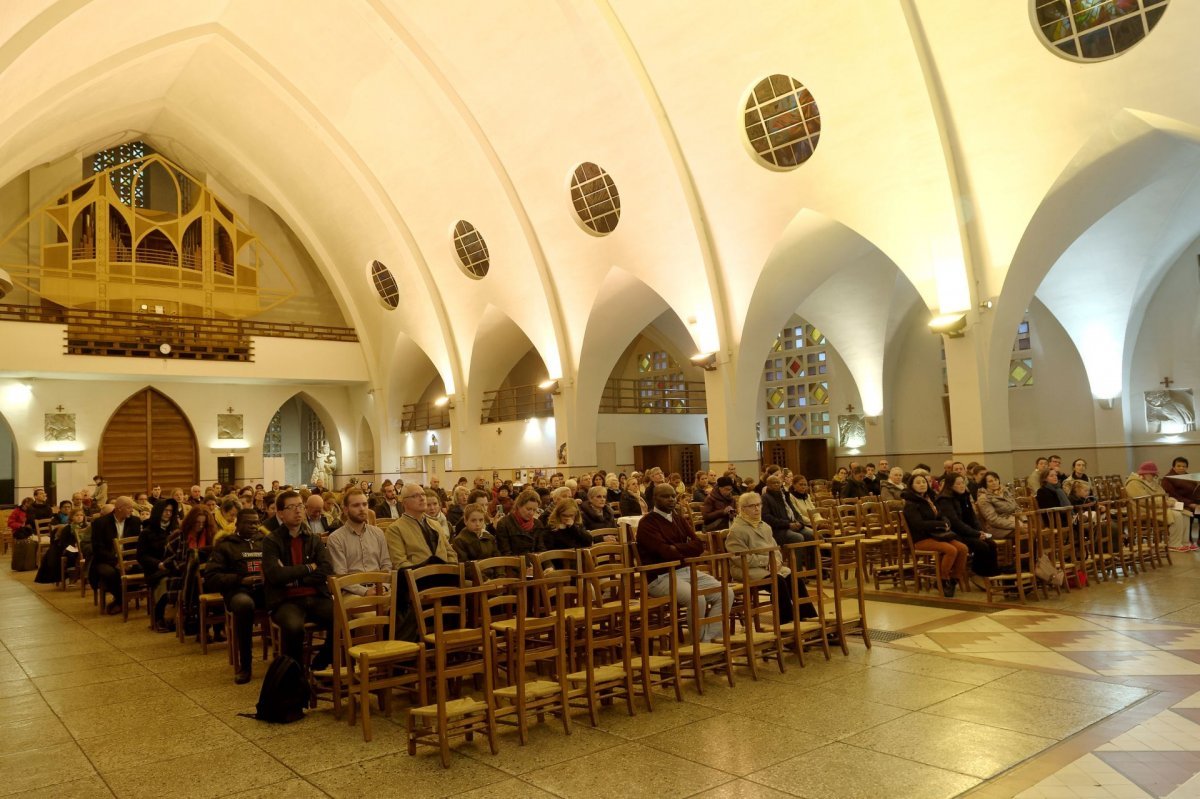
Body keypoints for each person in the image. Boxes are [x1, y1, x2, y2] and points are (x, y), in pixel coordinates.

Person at [636, 484, 727, 643]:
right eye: (665, 496)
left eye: (673, 496)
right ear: (655, 499)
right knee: (696, 599)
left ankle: (708, 636)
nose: (671, 499)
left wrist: (675, 548)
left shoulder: (677, 518)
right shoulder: (647, 523)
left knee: (725, 593)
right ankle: (698, 644)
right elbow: (664, 552)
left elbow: (698, 545)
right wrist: (683, 549)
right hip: (660, 577)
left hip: (685, 570)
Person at [262, 491, 334, 670]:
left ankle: (320, 663)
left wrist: (294, 578)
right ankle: (295, 675)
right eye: (291, 507)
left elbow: (326, 569)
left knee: (343, 619)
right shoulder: (271, 541)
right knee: (294, 628)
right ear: (280, 513)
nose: (298, 511)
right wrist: (309, 567)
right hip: (286, 600)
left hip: (317, 596)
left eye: (300, 506)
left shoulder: (313, 539)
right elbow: (275, 575)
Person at [725, 491, 816, 625]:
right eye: (752, 506)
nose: (757, 509)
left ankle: (810, 618)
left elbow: (775, 548)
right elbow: (739, 558)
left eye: (758, 505)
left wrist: (777, 560)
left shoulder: (765, 526)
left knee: (795, 579)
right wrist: (768, 561)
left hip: (770, 566)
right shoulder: (736, 530)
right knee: (778, 581)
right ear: (742, 509)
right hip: (747, 569)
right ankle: (786, 623)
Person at [204, 508, 267, 683]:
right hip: (239, 592)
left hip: (264, 590)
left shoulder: (266, 542)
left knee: (289, 602)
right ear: (237, 524)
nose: (254, 526)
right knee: (244, 605)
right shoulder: (226, 545)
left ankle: (288, 663)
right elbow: (211, 578)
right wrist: (241, 580)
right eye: (249, 522)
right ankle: (245, 666)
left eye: (256, 522)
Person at [902, 475, 966, 598]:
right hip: (922, 539)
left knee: (963, 548)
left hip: (937, 535)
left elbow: (941, 515)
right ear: (911, 486)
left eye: (924, 482)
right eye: (918, 483)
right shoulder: (911, 504)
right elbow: (918, 524)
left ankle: (954, 580)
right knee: (951, 550)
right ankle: (942, 580)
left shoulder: (929, 499)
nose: (922, 484)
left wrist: (946, 522)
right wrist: (939, 524)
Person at [327, 488, 392, 594]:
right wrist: (365, 591)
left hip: (380, 587)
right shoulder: (336, 538)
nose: (362, 509)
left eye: (364, 504)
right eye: (356, 505)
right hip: (352, 592)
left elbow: (386, 564)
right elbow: (341, 574)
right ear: (346, 510)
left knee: (402, 604)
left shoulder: (378, 533)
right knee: (372, 608)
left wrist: (384, 586)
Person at [937, 475, 999, 578]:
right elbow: (955, 523)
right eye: (958, 484)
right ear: (950, 486)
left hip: (968, 532)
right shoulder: (944, 500)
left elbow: (972, 517)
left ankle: (991, 574)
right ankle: (979, 572)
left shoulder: (964, 496)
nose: (962, 486)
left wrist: (980, 531)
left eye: (963, 483)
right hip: (954, 534)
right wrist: (975, 534)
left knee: (991, 543)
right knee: (981, 545)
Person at [384, 483, 458, 568]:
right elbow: (400, 563)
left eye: (423, 494)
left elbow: (451, 553)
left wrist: (450, 570)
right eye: (415, 496)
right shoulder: (395, 529)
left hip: (445, 576)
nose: (422, 498)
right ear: (404, 502)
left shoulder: (435, 524)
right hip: (417, 579)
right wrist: (428, 573)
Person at [1125, 461, 1192, 552]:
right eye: (1153, 474)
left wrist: (1170, 500)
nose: (1154, 477)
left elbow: (1163, 494)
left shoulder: (1149, 481)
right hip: (1144, 510)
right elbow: (1142, 501)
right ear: (1146, 473)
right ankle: (1174, 544)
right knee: (1176, 515)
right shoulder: (1133, 483)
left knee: (1185, 514)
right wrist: (1164, 503)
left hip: (1155, 507)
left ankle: (1184, 542)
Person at [137, 498, 180, 629]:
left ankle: (180, 617)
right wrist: (158, 564)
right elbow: (141, 556)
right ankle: (159, 617)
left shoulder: (176, 530)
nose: (168, 513)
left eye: (171, 511)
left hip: (175, 568)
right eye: (165, 510)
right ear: (158, 512)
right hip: (155, 571)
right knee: (166, 582)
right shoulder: (147, 532)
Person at [761, 473, 811, 546]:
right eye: (773, 483)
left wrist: (800, 523)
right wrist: (788, 524)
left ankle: (811, 557)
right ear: (767, 485)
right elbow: (766, 517)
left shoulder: (784, 496)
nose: (776, 484)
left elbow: (794, 511)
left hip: (792, 525)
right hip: (778, 530)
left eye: (778, 482)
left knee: (812, 535)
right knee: (798, 538)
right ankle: (796, 558)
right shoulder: (765, 498)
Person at [494, 489, 544, 557]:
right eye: (528, 509)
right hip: (515, 564)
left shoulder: (538, 524)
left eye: (534, 510)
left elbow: (541, 549)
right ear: (519, 506)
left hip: (535, 563)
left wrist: (548, 566)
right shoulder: (504, 523)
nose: (531, 513)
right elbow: (505, 553)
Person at [975, 471, 1024, 541]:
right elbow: (993, 520)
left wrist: (1023, 521)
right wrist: (1015, 525)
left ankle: (1029, 551)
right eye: (990, 481)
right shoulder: (984, 498)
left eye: (996, 479)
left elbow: (1017, 508)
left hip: (1013, 522)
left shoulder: (1004, 492)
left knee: (1033, 528)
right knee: (1028, 532)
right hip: (997, 529)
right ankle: (1020, 552)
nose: (994, 482)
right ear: (985, 484)